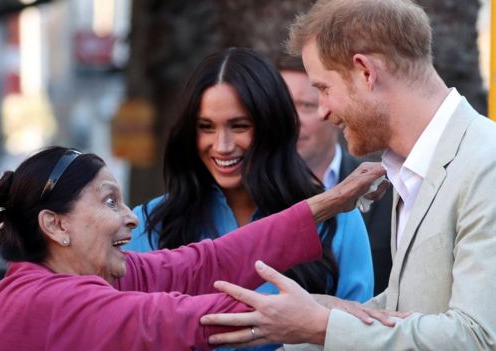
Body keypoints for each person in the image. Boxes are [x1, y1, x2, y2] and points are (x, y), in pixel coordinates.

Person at [200, 0, 496, 350]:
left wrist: (321, 325)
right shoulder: (414, 168)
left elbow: (476, 338)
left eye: (323, 89)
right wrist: (315, 313)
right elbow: (406, 313)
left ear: (365, 71)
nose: (322, 111)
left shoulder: (495, 166)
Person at [0, 146, 387, 351]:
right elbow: (172, 316)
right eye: (110, 201)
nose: (132, 217)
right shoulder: (43, 300)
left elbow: (205, 262)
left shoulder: (82, 278)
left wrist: (328, 202)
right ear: (55, 225)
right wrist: (316, 311)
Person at [124, 47, 374, 351]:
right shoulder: (151, 223)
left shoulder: (338, 218)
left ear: (272, 127)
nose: (222, 145)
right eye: (206, 127)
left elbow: (359, 338)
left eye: (239, 126)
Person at [277, 55, 392, 296]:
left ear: (332, 110)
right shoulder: (244, 196)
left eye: (305, 106)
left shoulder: (389, 189)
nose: (291, 121)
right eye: (281, 107)